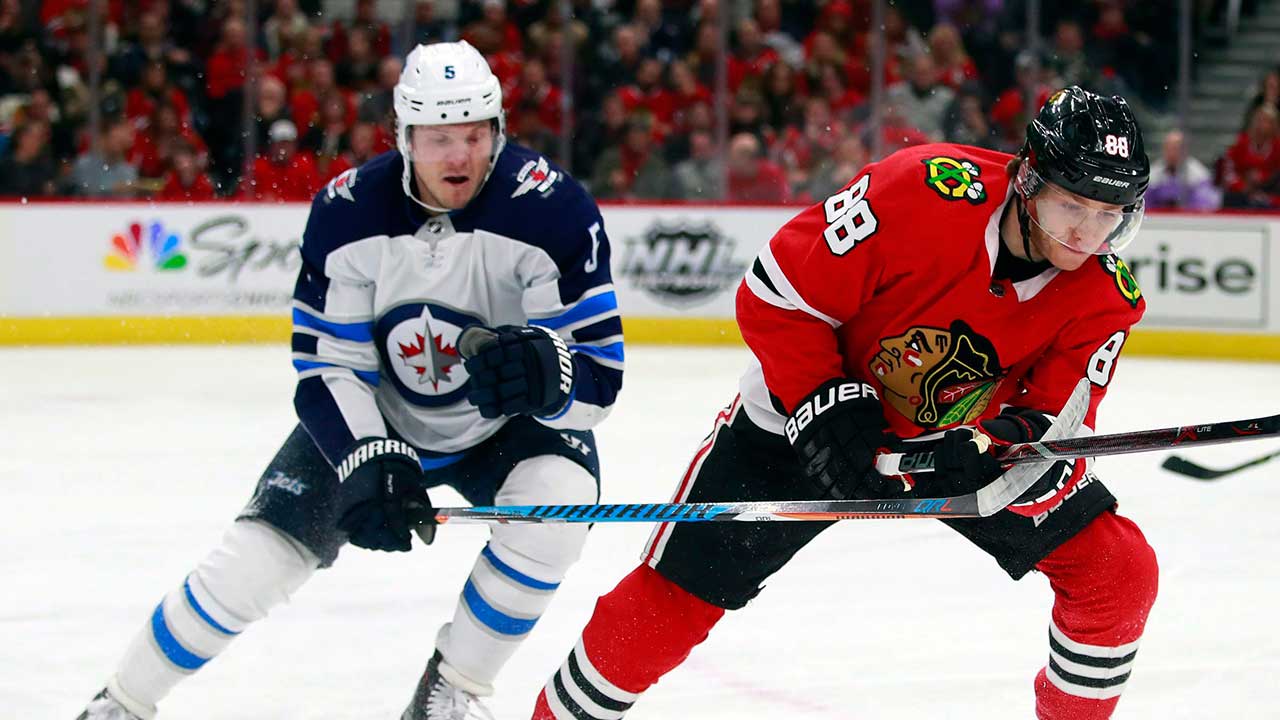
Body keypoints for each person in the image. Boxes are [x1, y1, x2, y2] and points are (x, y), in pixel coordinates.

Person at [531, 86, 1159, 720]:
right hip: (799, 423)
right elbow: (774, 293)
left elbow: (1057, 426)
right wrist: (821, 401)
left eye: (1109, 215)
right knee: (670, 603)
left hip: (943, 449)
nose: (1086, 234)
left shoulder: (1107, 296)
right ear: (1027, 179)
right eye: (1070, 206)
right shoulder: (921, 193)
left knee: (1117, 572)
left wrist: (995, 447)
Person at [78, 39, 623, 720]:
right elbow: (326, 367)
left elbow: (600, 377)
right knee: (254, 561)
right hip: (378, 414)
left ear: (499, 129)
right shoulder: (349, 211)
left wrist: (553, 373)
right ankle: (121, 702)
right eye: (439, 138)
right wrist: (366, 451)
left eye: (475, 135)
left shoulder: (554, 209)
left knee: (559, 506)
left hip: (504, 427)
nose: (459, 156)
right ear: (405, 136)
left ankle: (450, 692)